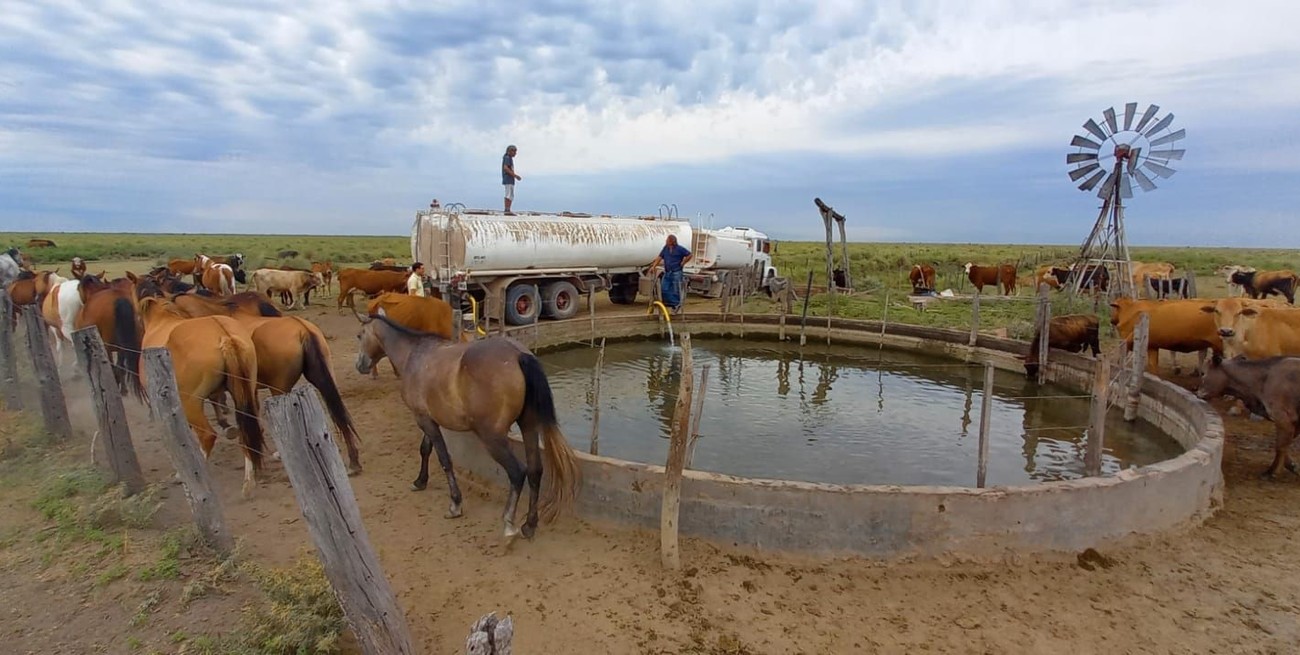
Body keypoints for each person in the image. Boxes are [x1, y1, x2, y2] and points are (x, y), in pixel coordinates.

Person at [648, 234, 692, 313]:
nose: (666, 241)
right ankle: (671, 303)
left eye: (667, 240)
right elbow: (659, 257)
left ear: (672, 241)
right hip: (667, 272)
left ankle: (676, 305)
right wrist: (654, 266)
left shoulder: (680, 249)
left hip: (676, 272)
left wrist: (683, 262)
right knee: (664, 289)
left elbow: (689, 254)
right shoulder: (665, 249)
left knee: (676, 289)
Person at [502, 145, 521, 214]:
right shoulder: (507, 158)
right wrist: (515, 175)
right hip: (508, 179)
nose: (515, 153)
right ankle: (507, 209)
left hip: (510, 179)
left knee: (511, 195)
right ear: (510, 151)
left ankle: (508, 209)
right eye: (514, 152)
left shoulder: (509, 158)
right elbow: (506, 168)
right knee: (508, 194)